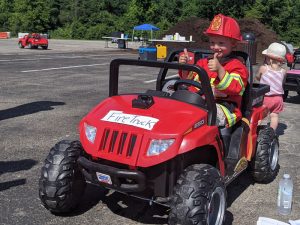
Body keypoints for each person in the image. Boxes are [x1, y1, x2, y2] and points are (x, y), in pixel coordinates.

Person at [179, 14, 249, 127]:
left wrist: (220, 70)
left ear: (234, 44)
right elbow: (188, 80)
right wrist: (185, 66)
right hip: (197, 102)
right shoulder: (203, 62)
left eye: (221, 43)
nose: (215, 47)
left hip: (224, 108)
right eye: (212, 42)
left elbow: (236, 88)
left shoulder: (238, 66)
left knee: (199, 117)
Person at [256, 42, 287, 132]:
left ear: (269, 59)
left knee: (260, 115)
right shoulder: (283, 71)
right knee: (274, 115)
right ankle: (271, 133)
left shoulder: (264, 68)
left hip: (266, 97)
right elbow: (282, 82)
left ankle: (254, 131)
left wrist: (260, 76)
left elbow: (258, 77)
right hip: (278, 98)